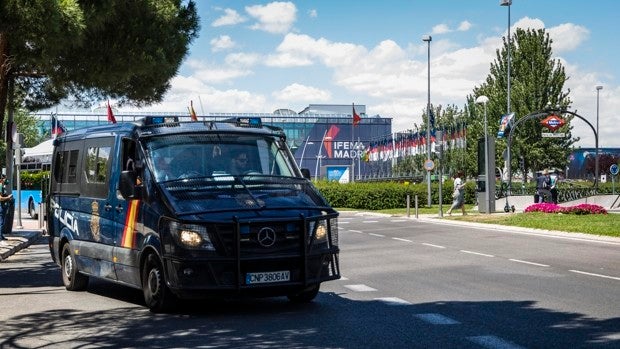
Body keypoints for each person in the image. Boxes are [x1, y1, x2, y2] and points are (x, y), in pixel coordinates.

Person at [0, 174, 14, 241]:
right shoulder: (0, 186)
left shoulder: (2, 186)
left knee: (2, 222)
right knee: (1, 222)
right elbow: (0, 198)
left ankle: (1, 236)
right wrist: (8, 197)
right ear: (1, 179)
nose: (6, 180)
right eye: (5, 178)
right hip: (1, 206)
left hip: (3, 206)